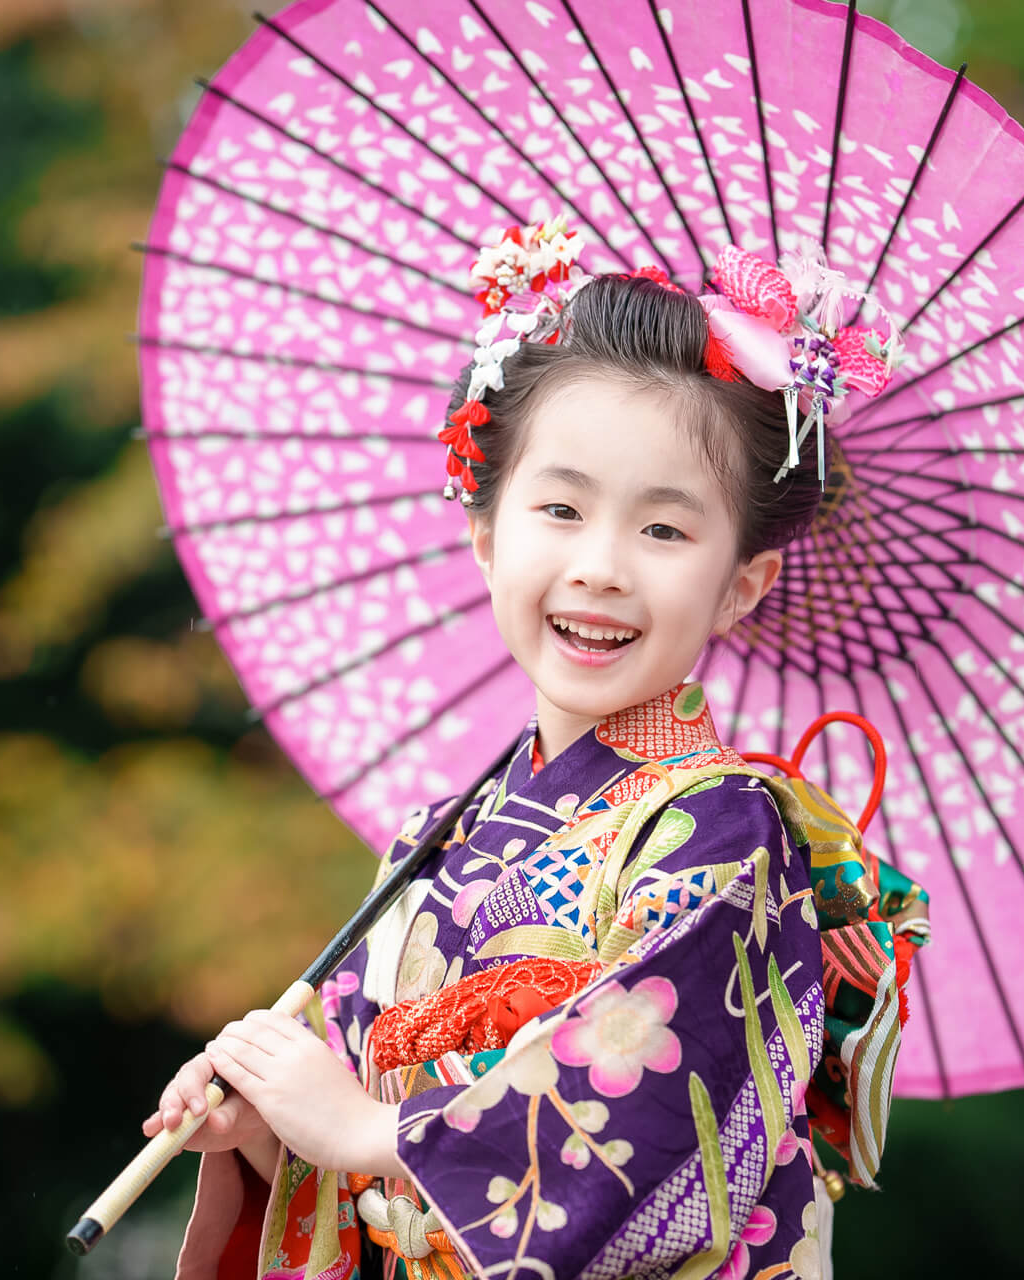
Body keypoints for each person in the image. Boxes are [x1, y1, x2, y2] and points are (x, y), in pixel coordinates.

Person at [149, 231, 924, 1280]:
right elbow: (353, 1128)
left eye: (664, 530)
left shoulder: (725, 832)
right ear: (485, 533)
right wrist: (268, 1124)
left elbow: (664, 1128)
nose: (599, 566)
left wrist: (377, 1135)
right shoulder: (439, 835)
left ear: (741, 583)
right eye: (558, 508)